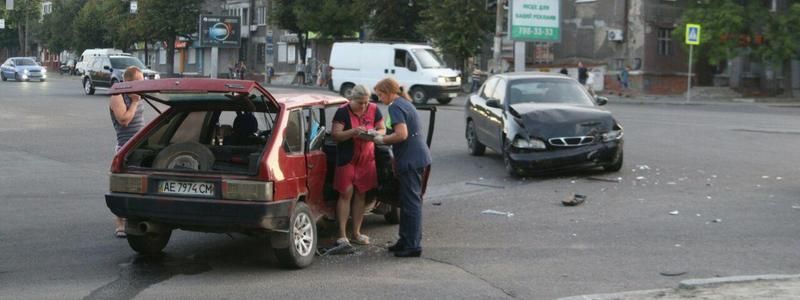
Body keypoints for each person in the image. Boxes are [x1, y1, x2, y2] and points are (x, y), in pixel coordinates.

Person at [372, 78, 432, 258]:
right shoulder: (405, 103)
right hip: (416, 157)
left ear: (389, 92)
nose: (380, 98)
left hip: (410, 159)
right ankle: (405, 240)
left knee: (411, 203)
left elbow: (401, 134)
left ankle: (412, 245)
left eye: (381, 94)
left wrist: (380, 139)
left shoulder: (395, 107)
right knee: (407, 202)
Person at [331, 85, 385, 249]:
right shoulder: (342, 111)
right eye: (360, 103)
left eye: (365, 103)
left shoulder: (374, 109)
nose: (363, 106)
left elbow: (382, 128)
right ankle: (342, 235)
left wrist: (375, 133)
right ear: (352, 99)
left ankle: (356, 233)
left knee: (361, 194)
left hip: (367, 159)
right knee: (345, 193)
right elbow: (336, 135)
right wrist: (353, 132)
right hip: (348, 158)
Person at [109, 66, 146, 238]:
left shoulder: (138, 95)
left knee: (140, 184)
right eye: (139, 80)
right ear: (128, 82)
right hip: (125, 146)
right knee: (123, 185)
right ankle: (120, 223)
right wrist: (136, 102)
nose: (142, 83)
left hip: (141, 145)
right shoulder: (118, 96)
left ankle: (137, 217)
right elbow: (124, 120)